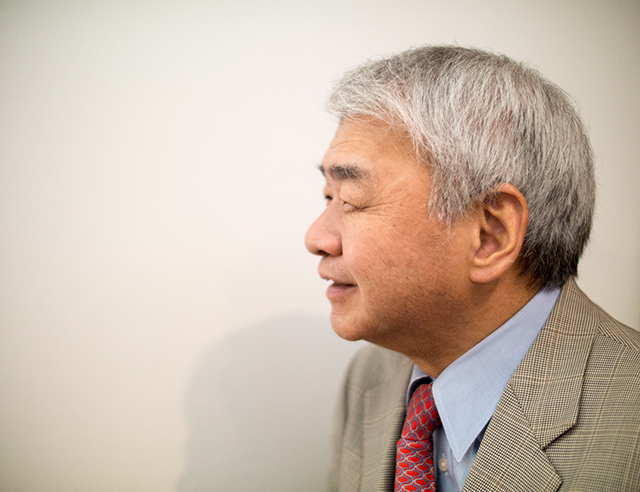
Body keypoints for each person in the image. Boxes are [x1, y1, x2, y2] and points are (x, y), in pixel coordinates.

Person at [305, 46, 640, 492]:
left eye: (351, 200)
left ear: (489, 236)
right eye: (328, 197)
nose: (316, 237)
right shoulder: (372, 377)